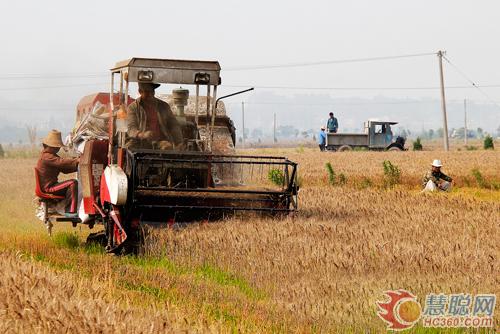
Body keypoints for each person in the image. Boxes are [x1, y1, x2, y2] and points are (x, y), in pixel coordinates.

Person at [126, 82, 184, 150]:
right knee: (129, 149)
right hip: (139, 142)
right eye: (147, 92)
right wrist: (142, 134)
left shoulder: (164, 106)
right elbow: (131, 128)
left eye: (152, 91)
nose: (150, 94)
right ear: (140, 91)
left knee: (167, 147)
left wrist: (179, 142)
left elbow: (173, 125)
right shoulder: (133, 107)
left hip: (160, 141)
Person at [36, 130, 80, 217]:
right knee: (72, 183)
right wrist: (77, 160)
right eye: (56, 147)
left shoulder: (49, 156)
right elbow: (62, 162)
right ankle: (70, 212)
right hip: (48, 188)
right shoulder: (47, 157)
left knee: (72, 183)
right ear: (50, 146)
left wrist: (77, 166)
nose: (58, 148)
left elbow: (64, 168)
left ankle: (70, 210)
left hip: (50, 186)